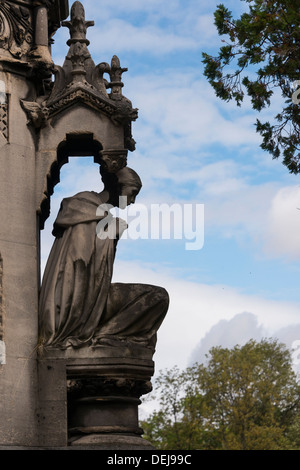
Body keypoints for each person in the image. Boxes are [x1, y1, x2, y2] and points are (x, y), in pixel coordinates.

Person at [39, 166, 169, 351]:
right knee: (157, 296)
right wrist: (111, 234)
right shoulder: (83, 206)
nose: (132, 201)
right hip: (76, 302)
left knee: (156, 300)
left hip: (93, 294)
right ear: (117, 185)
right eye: (132, 193)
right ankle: (101, 337)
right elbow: (79, 263)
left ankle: (105, 335)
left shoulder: (101, 214)